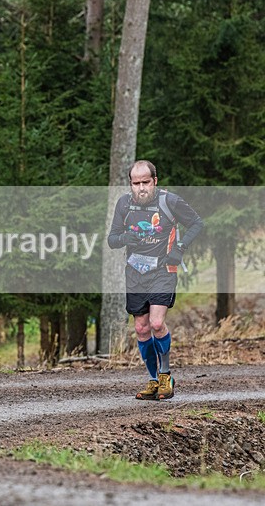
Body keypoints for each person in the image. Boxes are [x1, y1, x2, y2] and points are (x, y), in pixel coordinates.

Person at [107, 160, 203, 401]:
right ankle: (152, 380)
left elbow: (196, 223)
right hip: (135, 273)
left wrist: (180, 247)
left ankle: (165, 375)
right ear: (130, 184)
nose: (141, 188)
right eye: (136, 183)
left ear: (155, 182)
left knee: (157, 324)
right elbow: (112, 239)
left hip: (163, 270)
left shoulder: (169, 201)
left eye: (145, 182)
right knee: (141, 328)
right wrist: (125, 237)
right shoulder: (124, 204)